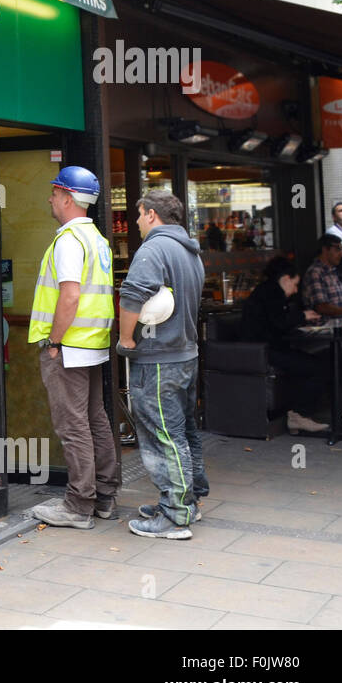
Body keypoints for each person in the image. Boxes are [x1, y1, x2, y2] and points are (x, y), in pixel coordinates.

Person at [27, 166, 118, 531]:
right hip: (92, 344)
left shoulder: (68, 241)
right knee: (95, 420)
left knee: (73, 425)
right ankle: (105, 496)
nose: (49, 199)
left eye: (53, 192)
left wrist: (53, 341)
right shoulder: (97, 239)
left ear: (67, 197)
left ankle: (79, 506)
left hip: (69, 347)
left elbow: (70, 295)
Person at [116, 189, 206, 539]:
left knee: (162, 437)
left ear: (151, 214)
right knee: (184, 433)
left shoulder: (153, 249)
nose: (137, 222)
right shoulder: (190, 250)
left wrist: (125, 339)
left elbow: (132, 295)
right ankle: (189, 501)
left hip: (157, 360)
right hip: (185, 354)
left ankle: (174, 514)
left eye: (139, 215)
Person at [240, 256, 329, 434]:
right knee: (317, 366)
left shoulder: (269, 292)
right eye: (295, 285)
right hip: (263, 350)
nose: (295, 290)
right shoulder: (271, 293)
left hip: (266, 347)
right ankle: (298, 414)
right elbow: (279, 323)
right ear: (286, 278)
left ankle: (300, 413)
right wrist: (303, 317)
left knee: (314, 362)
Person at [300, 235, 342, 324]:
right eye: (338, 249)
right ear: (325, 249)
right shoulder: (315, 272)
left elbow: (340, 304)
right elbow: (322, 307)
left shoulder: (332, 272)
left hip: (337, 326)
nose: (341, 254)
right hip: (323, 330)